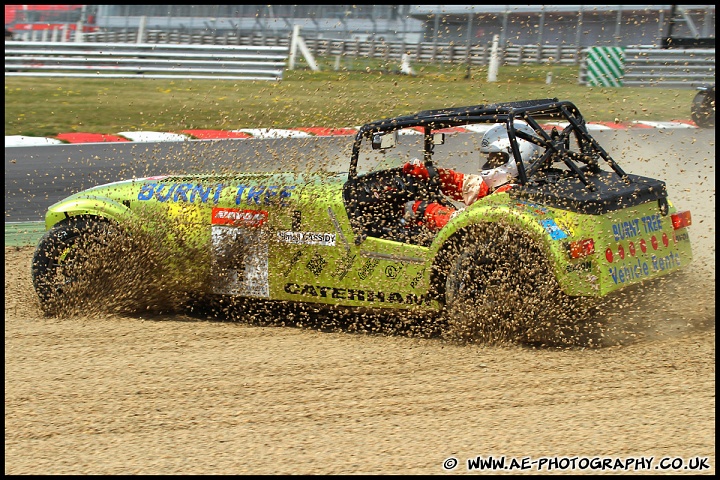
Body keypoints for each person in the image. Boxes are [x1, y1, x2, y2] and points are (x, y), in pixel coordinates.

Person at [401, 121, 543, 230]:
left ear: (516, 157)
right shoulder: (525, 183)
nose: (489, 163)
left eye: (496, 159)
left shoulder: (509, 196)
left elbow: (462, 221)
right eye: (489, 158)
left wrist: (424, 210)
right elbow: (470, 186)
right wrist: (434, 175)